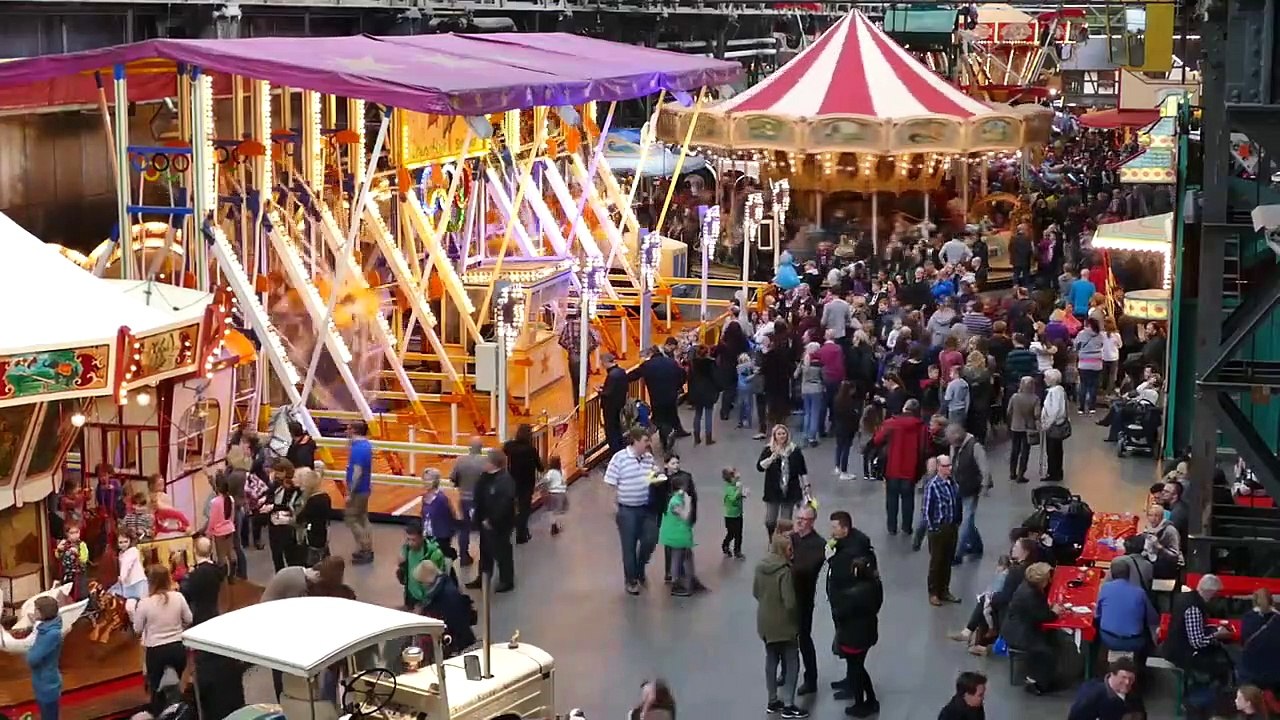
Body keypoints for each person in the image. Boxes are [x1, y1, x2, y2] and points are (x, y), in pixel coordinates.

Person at [753, 532, 808, 719]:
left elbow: (755, 592)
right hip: (784, 624)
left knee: (771, 658)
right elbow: (790, 602)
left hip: (765, 621)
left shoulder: (760, 567)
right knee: (792, 660)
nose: (792, 552)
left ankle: (772, 700)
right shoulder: (785, 571)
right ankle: (789, 704)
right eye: (790, 548)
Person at [604, 427, 659, 596]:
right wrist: (613, 507)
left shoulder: (649, 458)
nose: (648, 444)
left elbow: (650, 479)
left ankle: (640, 566)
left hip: (647, 508)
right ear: (635, 441)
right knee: (628, 546)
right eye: (645, 441)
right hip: (627, 510)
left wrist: (656, 477)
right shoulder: (619, 459)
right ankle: (631, 580)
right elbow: (611, 485)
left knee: (651, 538)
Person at [133, 564, 193, 715]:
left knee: (156, 690)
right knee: (178, 686)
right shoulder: (178, 597)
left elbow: (137, 629)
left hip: (156, 651)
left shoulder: (145, 603)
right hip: (177, 649)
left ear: (150, 582)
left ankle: (160, 713)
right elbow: (189, 618)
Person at [829, 556, 883, 718]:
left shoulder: (851, 595)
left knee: (855, 670)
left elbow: (840, 614)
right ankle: (871, 700)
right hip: (868, 632)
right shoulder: (875, 586)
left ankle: (860, 703)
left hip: (852, 636)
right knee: (859, 667)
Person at [1002, 562, 1063, 695]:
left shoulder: (1028, 588)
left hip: (1021, 627)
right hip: (1020, 634)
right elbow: (1043, 616)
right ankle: (1037, 682)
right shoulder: (1030, 595)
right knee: (1047, 652)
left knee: (1052, 640)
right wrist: (1055, 612)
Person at [872, 398, 928, 536]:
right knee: (908, 498)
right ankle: (906, 527)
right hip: (910, 469)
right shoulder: (921, 426)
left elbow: (877, 439)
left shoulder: (892, 423)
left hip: (893, 467)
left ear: (904, 408)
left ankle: (892, 527)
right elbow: (924, 448)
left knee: (891, 498)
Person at [466, 449, 516, 593]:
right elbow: (480, 494)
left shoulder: (505, 481)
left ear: (494, 464)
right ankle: (483, 577)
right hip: (484, 521)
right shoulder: (486, 477)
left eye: (487, 460)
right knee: (485, 551)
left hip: (499, 525)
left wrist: (492, 520)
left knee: (502, 552)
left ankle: (507, 580)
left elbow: (504, 504)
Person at [789, 506, 826, 696]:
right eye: (798, 518)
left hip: (803, 598)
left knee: (804, 638)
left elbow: (809, 569)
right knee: (785, 637)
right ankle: (786, 672)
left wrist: (790, 565)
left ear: (812, 521)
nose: (800, 521)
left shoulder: (819, 544)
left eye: (804, 519)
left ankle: (811, 678)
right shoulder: (792, 538)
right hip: (787, 597)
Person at [1095, 560, 1158, 668]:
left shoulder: (1105, 588)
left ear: (1111, 574)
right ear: (1129, 574)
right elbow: (1152, 618)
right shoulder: (1139, 592)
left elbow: (1097, 614)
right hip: (1134, 641)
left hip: (1108, 638)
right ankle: (1143, 670)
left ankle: (1096, 665)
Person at [411, 560, 477, 658]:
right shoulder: (445, 584)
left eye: (421, 582)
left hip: (456, 640)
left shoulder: (441, 597)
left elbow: (453, 621)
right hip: (462, 635)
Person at [757, 424, 810, 541]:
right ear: (774, 436)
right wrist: (771, 458)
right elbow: (760, 467)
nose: (782, 436)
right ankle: (772, 538)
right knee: (770, 520)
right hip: (773, 490)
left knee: (786, 522)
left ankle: (783, 543)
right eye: (779, 434)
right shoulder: (768, 450)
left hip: (790, 490)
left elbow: (802, 470)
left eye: (784, 433)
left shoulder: (795, 450)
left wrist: (806, 487)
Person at [922, 455, 962, 606]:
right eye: (945, 466)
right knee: (936, 562)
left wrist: (957, 522)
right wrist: (932, 528)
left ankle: (944, 589)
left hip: (951, 527)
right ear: (938, 467)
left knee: (947, 560)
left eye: (950, 465)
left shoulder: (952, 484)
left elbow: (957, 503)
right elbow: (926, 510)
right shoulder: (932, 485)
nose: (949, 468)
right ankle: (933, 592)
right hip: (938, 529)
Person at [948, 422, 990, 563]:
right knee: (967, 520)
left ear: (958, 435)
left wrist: (984, 486)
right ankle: (977, 545)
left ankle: (957, 554)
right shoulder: (954, 446)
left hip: (971, 488)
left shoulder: (975, 446)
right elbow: (953, 465)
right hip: (958, 486)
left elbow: (984, 468)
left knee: (966, 520)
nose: (951, 444)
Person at [503, 423, 544, 546]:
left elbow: (504, 449)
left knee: (509, 507)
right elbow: (540, 467)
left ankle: (506, 532)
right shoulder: (531, 450)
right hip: (526, 483)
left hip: (512, 481)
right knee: (524, 509)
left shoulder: (510, 447)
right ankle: (521, 534)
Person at [1066, 657, 1145, 720]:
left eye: (1131, 679)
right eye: (1123, 677)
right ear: (1112, 674)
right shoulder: (1091, 695)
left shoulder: (1134, 695)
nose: (1127, 682)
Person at [449, 437, 487, 566]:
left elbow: (453, 479)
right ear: (481, 448)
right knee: (484, 529)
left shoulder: (460, 461)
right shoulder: (485, 462)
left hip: (464, 499)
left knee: (464, 529)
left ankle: (464, 556)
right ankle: (484, 558)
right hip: (480, 501)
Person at [659, 472, 696, 597]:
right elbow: (685, 516)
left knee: (682, 557)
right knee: (677, 559)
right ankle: (677, 584)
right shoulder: (675, 502)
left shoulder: (677, 498)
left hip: (679, 535)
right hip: (676, 536)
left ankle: (685, 582)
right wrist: (689, 502)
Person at [27, 595, 63, 720]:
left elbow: (33, 658)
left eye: (36, 609)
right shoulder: (45, 628)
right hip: (42, 681)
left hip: (48, 684)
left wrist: (30, 651)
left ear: (43, 612)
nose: (34, 611)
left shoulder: (52, 634)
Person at [344, 420, 375, 564]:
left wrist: (350, 491)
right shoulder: (365, 446)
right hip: (365, 488)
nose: (346, 431)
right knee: (362, 517)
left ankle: (365, 548)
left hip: (358, 490)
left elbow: (357, 472)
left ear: (353, 431)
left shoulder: (358, 449)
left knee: (351, 518)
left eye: (348, 428)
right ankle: (367, 546)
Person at [1241, 588, 1280, 690]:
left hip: (1252, 672)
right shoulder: (1277, 619)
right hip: (1275, 673)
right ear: (1272, 600)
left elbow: (1244, 640)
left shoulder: (1248, 618)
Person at [181, 536, 224, 626]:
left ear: (195, 551)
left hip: (199, 616)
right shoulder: (217, 570)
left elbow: (186, 594)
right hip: (214, 612)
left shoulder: (196, 574)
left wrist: (186, 578)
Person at [559, 307, 597, 407]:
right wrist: (587, 351)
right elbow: (595, 342)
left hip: (572, 357)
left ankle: (576, 407)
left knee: (575, 383)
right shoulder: (587, 327)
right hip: (584, 357)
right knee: (583, 383)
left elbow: (561, 341)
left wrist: (570, 348)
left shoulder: (568, 326)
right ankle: (583, 406)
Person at [294, 467, 331, 566]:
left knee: (311, 564)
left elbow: (301, 518)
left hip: (312, 537)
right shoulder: (325, 497)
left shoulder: (312, 501)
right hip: (323, 534)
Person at [1006, 376, 1040, 484]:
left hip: (1015, 426)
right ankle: (1021, 474)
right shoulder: (1035, 398)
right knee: (1025, 451)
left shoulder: (1015, 397)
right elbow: (1037, 414)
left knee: (1014, 449)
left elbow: (1009, 411)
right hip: (1028, 428)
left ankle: (1012, 472)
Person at [206, 476, 238, 581]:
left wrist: (209, 533)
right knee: (230, 551)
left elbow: (213, 519)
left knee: (221, 555)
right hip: (230, 528)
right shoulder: (231, 499)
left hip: (219, 531)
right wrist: (231, 525)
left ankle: (223, 577)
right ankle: (232, 576)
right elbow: (232, 516)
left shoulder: (215, 502)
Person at [1040, 368, 1069, 482]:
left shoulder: (1053, 392)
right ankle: (1057, 471)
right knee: (1057, 449)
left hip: (1053, 424)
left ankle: (1053, 473)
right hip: (1058, 423)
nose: (1044, 380)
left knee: (1052, 450)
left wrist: (1047, 423)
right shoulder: (1060, 390)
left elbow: (1055, 409)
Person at [688, 344, 719, 445]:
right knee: (708, 414)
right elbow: (715, 377)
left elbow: (690, 379)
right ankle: (708, 438)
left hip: (697, 391)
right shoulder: (711, 363)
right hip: (708, 391)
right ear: (707, 353)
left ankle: (696, 437)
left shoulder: (693, 364)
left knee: (697, 414)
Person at [831, 380, 861, 480]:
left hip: (839, 427)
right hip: (848, 428)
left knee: (839, 447)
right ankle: (844, 471)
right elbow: (853, 416)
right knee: (846, 449)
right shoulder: (850, 403)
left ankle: (837, 467)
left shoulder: (836, 400)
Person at [600, 353, 630, 453]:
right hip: (620, 404)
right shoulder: (621, 372)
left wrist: (600, 391)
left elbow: (608, 393)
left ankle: (615, 452)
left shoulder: (612, 376)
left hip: (611, 408)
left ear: (606, 362)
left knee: (611, 431)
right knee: (617, 428)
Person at [1074, 317, 1105, 413]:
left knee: (1083, 385)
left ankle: (1081, 407)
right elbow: (1102, 345)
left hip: (1084, 363)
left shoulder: (1081, 334)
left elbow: (1076, 345)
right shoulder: (1100, 335)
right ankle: (1092, 407)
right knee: (1093, 385)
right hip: (1097, 363)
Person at [721, 467, 746, 559]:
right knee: (731, 533)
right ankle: (725, 545)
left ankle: (737, 550)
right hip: (730, 516)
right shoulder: (729, 488)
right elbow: (733, 499)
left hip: (738, 513)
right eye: (736, 477)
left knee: (739, 533)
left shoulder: (734, 485)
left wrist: (743, 494)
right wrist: (739, 489)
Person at [542, 456, 568, 536]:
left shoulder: (550, 473)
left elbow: (545, 481)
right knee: (559, 510)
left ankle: (553, 524)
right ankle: (558, 525)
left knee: (551, 511)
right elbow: (564, 481)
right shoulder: (563, 472)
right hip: (561, 494)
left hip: (552, 494)